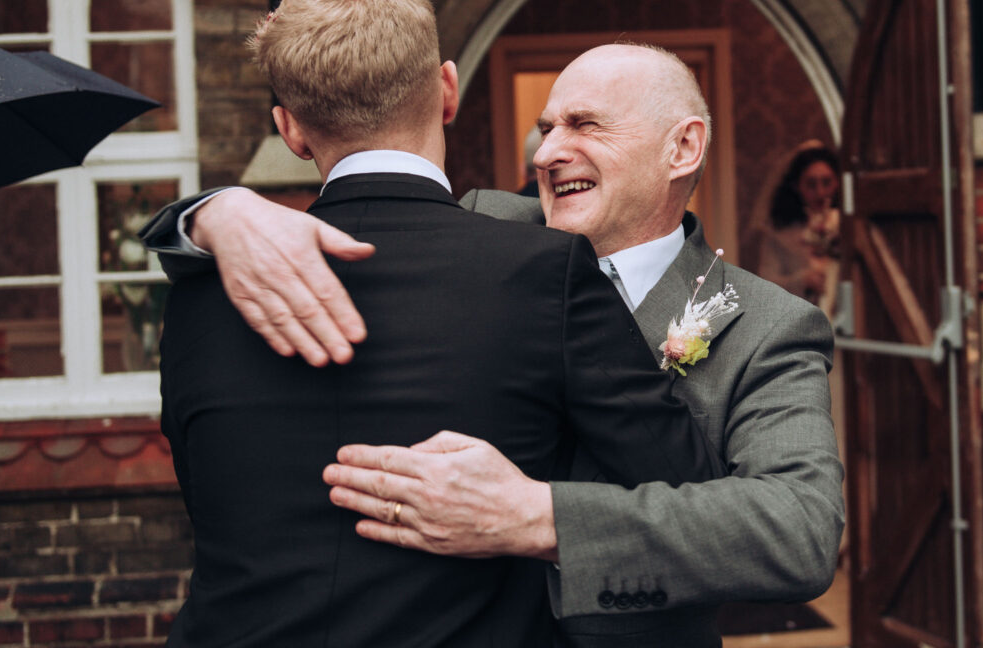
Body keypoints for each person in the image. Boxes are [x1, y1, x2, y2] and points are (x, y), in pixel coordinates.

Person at [144, 44, 843, 647]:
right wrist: (213, 214)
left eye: (585, 125)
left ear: (682, 147)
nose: (547, 151)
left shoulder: (764, 325)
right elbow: (344, 213)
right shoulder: (478, 222)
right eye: (545, 128)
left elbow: (799, 530)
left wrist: (538, 518)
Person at [755, 142, 840, 315]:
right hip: (799, 318)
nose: (821, 192)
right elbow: (765, 285)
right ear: (796, 186)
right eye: (811, 184)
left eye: (827, 182)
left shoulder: (848, 225)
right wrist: (802, 281)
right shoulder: (779, 232)